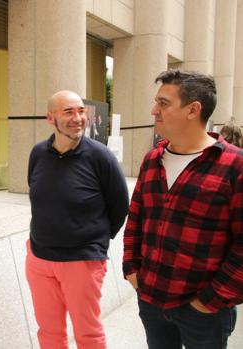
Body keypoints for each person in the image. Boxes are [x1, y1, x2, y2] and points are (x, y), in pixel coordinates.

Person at [123, 69, 242, 349]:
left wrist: (209, 300)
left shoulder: (235, 166)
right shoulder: (153, 160)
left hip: (204, 311)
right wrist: (131, 268)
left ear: (193, 110)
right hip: (151, 299)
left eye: (163, 103)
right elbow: (136, 217)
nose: (154, 111)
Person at [26, 90, 129, 349]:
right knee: (48, 332)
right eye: (69, 112)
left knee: (88, 334)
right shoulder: (38, 153)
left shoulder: (100, 156)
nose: (78, 118)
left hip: (82, 261)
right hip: (40, 259)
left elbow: (119, 206)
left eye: (81, 111)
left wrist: (94, 242)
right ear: (51, 118)